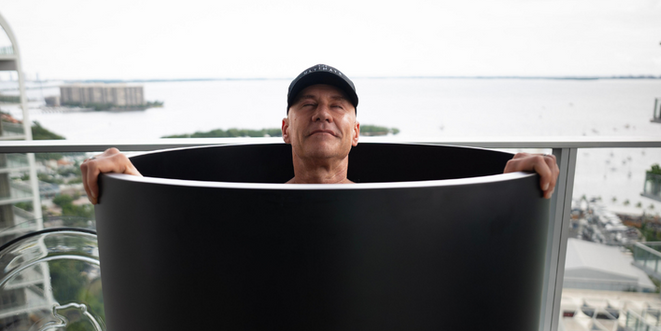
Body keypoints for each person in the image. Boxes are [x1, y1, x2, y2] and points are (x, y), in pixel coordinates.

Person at [81, 64, 559, 202]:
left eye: (337, 106)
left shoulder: (389, 206)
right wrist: (127, 177)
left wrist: (511, 180)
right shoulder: (251, 205)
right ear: (286, 129)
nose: (322, 114)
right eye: (307, 105)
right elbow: (180, 228)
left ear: (356, 133)